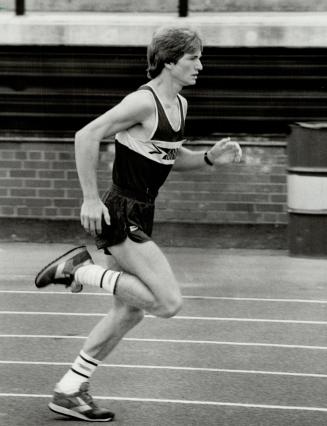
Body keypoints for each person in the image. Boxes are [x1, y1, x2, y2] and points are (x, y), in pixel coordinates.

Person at [35, 25, 242, 422]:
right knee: (168, 303)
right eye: (192, 58)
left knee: (128, 312)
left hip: (143, 210)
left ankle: (69, 390)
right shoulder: (141, 102)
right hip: (120, 212)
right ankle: (81, 270)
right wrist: (91, 198)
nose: (201, 65)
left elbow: (170, 157)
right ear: (168, 61)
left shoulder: (178, 105)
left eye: (200, 57)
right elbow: (86, 135)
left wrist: (209, 159)